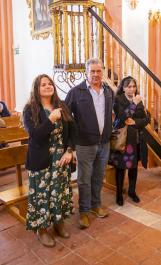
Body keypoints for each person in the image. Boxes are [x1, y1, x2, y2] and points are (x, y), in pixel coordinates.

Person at [23, 74, 77, 247]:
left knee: (59, 193)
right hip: (41, 160)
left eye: (50, 84)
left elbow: (73, 130)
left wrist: (69, 151)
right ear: (36, 90)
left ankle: (59, 224)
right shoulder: (30, 110)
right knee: (42, 196)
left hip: (60, 159)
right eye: (43, 84)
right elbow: (35, 136)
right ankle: (42, 230)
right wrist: (51, 118)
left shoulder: (62, 106)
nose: (48, 86)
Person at [65, 58, 113, 229]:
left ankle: (95, 205)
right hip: (85, 144)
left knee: (99, 177)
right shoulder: (76, 92)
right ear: (86, 72)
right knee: (84, 180)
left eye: (98, 71)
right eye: (92, 71)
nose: (95, 74)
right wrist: (71, 143)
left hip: (104, 142)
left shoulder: (108, 91)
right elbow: (66, 116)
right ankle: (84, 211)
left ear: (102, 72)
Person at [109, 76, 149, 206]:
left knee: (133, 167)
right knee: (121, 167)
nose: (132, 89)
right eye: (129, 86)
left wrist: (135, 122)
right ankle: (119, 194)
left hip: (136, 139)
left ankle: (132, 191)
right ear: (123, 87)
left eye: (134, 86)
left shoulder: (137, 99)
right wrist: (134, 104)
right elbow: (123, 116)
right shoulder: (117, 99)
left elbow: (145, 119)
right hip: (123, 140)